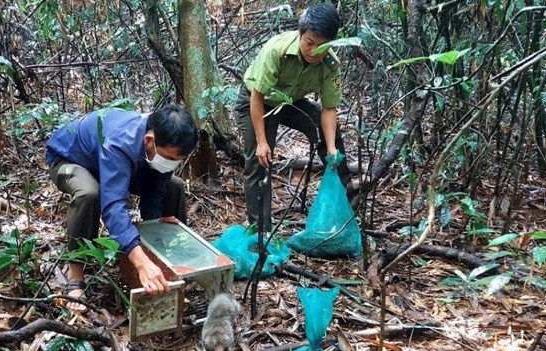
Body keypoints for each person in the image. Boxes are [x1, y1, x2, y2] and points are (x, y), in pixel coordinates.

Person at [46, 104, 198, 310]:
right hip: (69, 159)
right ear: (149, 141)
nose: (173, 163)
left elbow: (155, 192)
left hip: (108, 163)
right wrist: (141, 262)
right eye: (170, 159)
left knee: (174, 186)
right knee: (89, 193)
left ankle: (169, 262)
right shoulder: (121, 142)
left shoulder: (160, 140)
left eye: (178, 160)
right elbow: (113, 207)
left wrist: (149, 246)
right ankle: (75, 274)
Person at [235, 2, 351, 233]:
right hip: (258, 103)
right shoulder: (276, 51)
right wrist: (261, 142)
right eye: (309, 43)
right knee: (259, 163)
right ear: (300, 34)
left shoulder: (330, 64)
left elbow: (329, 108)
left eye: (322, 46)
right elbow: (257, 97)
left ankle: (343, 203)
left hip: (291, 102)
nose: (314, 51)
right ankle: (261, 234)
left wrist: (329, 147)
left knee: (331, 139)